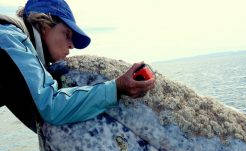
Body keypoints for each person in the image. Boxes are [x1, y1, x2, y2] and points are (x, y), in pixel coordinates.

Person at [0, 0, 155, 132]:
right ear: (43, 23)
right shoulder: (10, 38)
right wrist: (116, 87)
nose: (71, 45)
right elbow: (50, 107)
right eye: (67, 35)